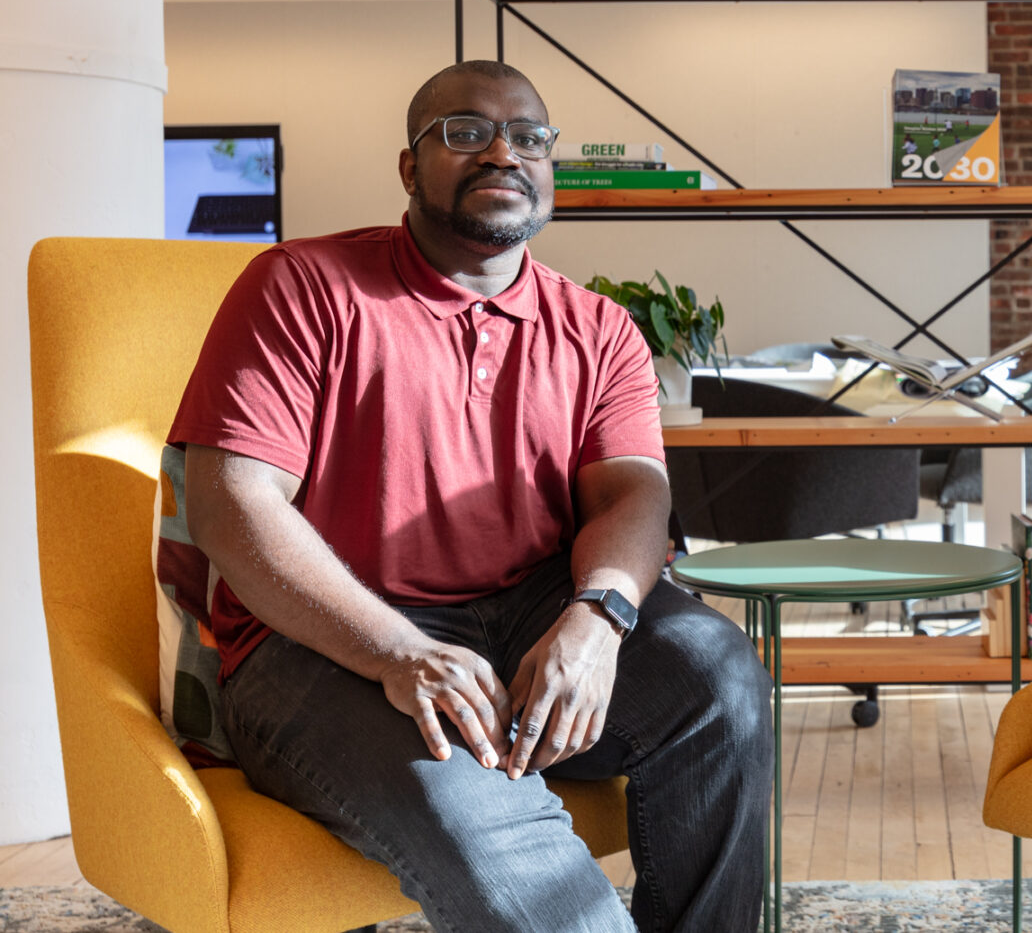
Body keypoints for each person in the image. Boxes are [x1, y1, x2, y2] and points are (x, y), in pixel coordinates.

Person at [170, 60, 772, 933]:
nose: (502, 151)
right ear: (409, 168)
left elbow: (633, 498)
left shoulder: (598, 328)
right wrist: (397, 653)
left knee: (722, 687)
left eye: (528, 136)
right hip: (324, 643)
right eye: (464, 131)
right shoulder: (301, 287)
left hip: (532, 613)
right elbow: (232, 503)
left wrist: (597, 620)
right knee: (508, 842)